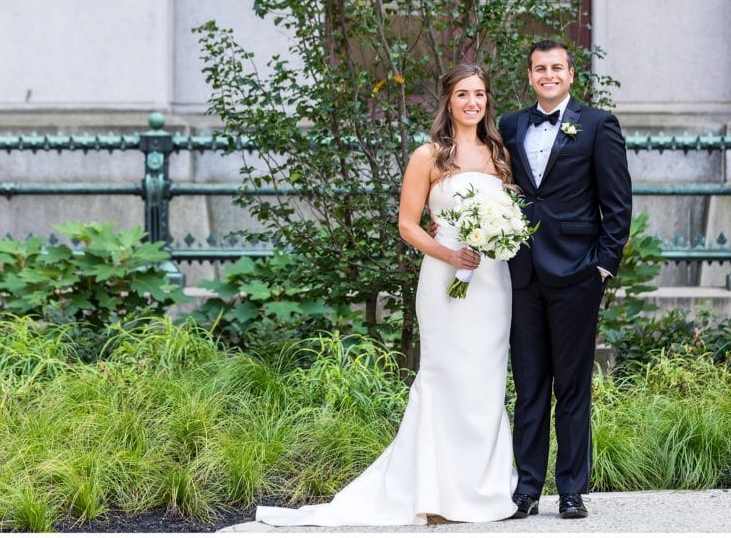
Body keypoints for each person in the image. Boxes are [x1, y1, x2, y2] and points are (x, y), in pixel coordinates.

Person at [254, 64, 518, 527]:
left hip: (493, 283)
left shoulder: (499, 155)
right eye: (463, 94)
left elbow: (509, 214)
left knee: (486, 381)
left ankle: (482, 490)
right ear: (448, 101)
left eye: (479, 94)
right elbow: (407, 224)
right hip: (445, 280)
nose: (472, 102)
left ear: (487, 100)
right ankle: (434, 494)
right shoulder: (430, 155)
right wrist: (449, 254)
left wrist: (497, 238)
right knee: (446, 376)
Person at [498, 40, 632, 520]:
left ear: (571, 74)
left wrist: (603, 265)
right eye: (540, 68)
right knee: (530, 384)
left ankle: (571, 490)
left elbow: (617, 203)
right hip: (521, 273)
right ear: (530, 75)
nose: (548, 75)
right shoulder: (511, 125)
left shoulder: (598, 126)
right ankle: (527, 490)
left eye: (556, 67)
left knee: (572, 386)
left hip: (577, 273)